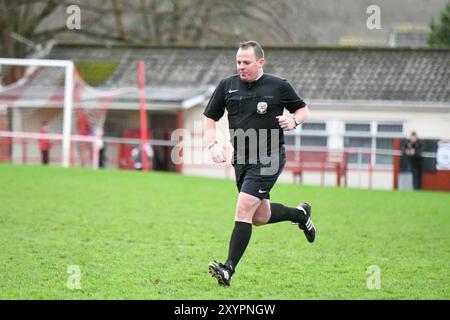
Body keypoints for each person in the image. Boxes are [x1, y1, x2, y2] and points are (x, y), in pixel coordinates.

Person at [203, 41, 316, 286]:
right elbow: (210, 117)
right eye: (238, 62)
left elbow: (303, 110)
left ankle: (228, 269)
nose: (241, 67)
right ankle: (299, 214)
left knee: (243, 207)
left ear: (260, 62)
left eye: (246, 62)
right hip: (242, 159)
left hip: (270, 155)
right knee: (259, 216)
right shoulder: (227, 86)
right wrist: (213, 144)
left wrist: (294, 121)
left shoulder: (278, 86)